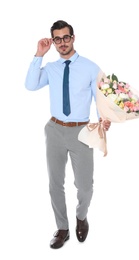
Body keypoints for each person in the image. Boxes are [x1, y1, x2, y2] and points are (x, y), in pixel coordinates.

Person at [25, 20, 111, 249]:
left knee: (85, 186)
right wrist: (38, 55)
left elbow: (100, 99)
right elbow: (31, 85)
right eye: (57, 39)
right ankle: (62, 228)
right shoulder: (51, 68)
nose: (62, 43)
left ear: (73, 37)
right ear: (53, 42)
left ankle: (81, 217)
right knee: (55, 184)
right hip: (54, 129)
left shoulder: (91, 67)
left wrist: (104, 118)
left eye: (66, 37)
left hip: (81, 131)